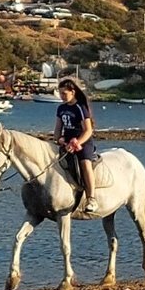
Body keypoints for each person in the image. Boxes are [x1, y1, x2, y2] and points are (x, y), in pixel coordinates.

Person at [53, 76, 99, 215]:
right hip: (67, 142)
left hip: (82, 142)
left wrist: (77, 142)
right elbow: (57, 130)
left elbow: (88, 130)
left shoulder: (80, 107)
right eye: (60, 94)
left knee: (85, 164)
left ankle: (91, 198)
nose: (62, 96)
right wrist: (60, 139)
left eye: (64, 94)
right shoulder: (61, 108)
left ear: (72, 92)